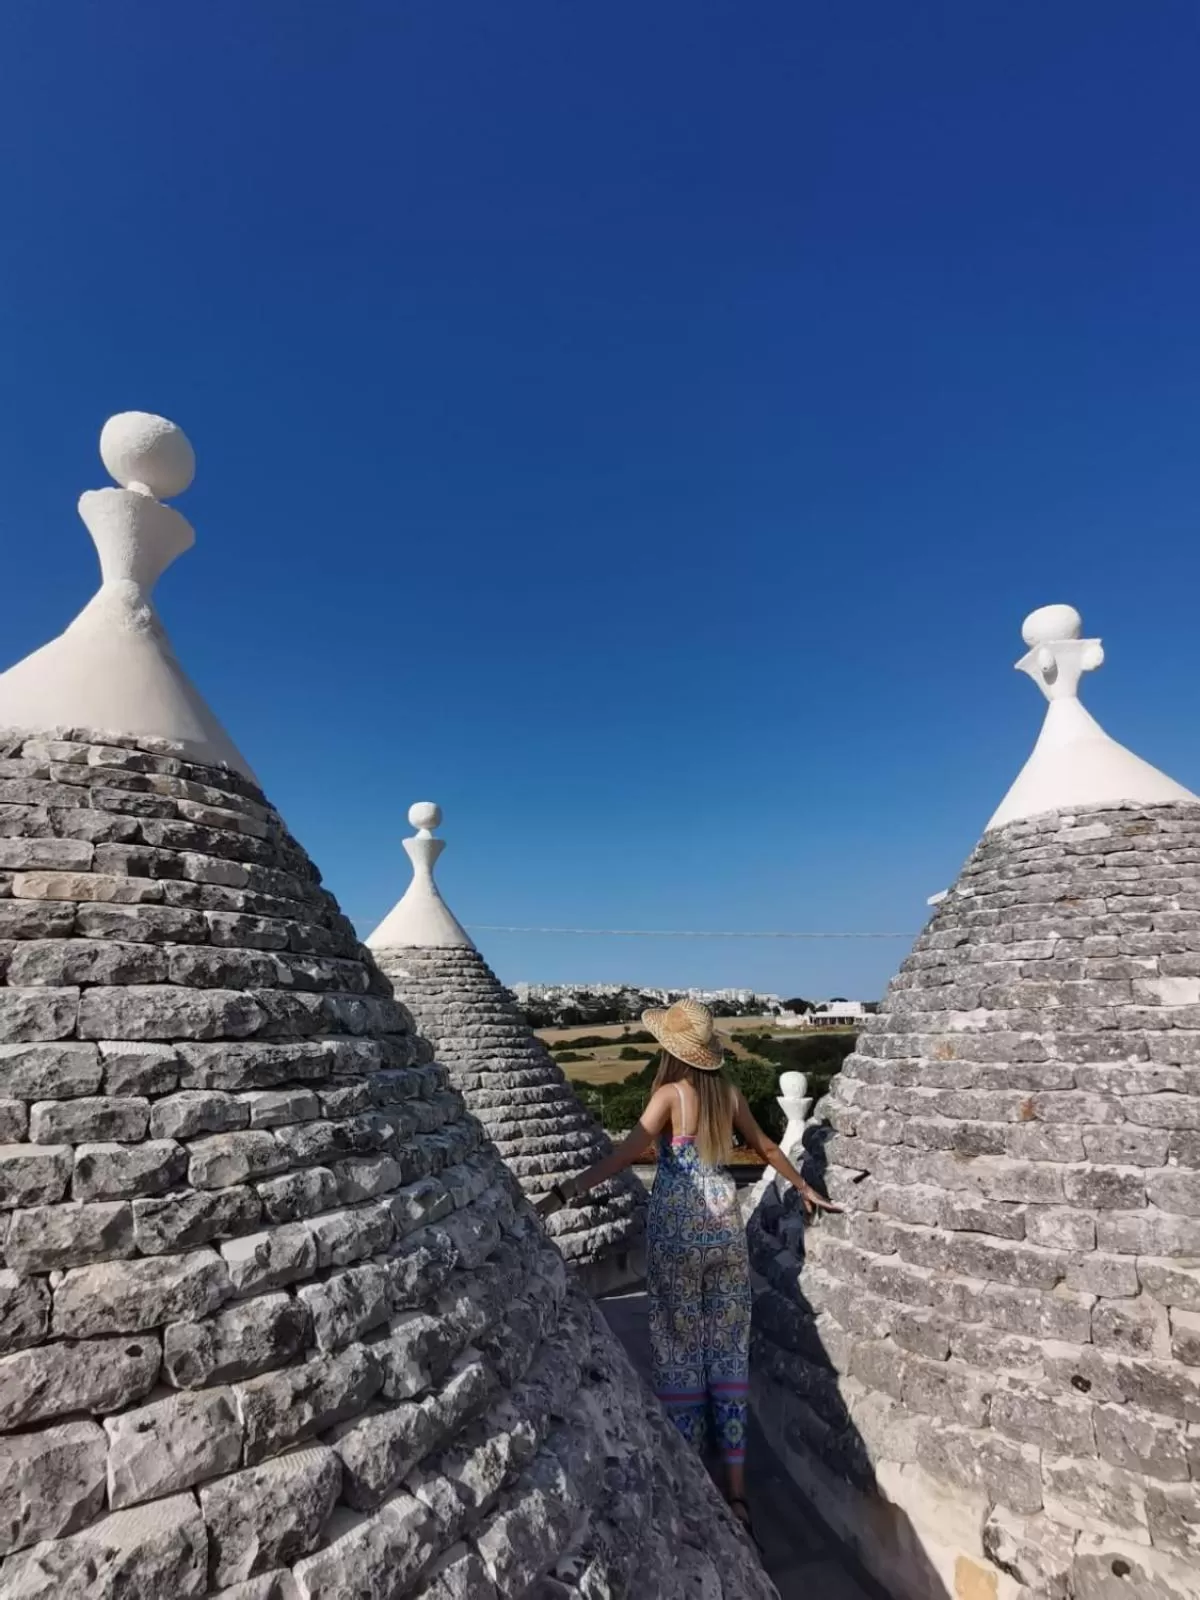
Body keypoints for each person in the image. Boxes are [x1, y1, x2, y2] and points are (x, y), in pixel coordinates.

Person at [535, 998, 837, 1536]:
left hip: (678, 1228)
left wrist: (566, 1191)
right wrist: (806, 1186)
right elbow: (768, 1146)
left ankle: (695, 1479)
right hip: (725, 1226)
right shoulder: (729, 1095)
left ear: (671, 1051)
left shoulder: (670, 1096)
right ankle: (739, 1493)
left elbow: (627, 1153)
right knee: (725, 1347)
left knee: (678, 1346)